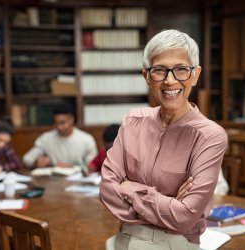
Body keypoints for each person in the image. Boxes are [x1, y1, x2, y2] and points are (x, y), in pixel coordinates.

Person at [99, 29, 228, 250]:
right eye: (159, 70)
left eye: (180, 70)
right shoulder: (132, 121)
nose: (170, 81)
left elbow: (185, 216)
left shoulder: (210, 136)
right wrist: (167, 204)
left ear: (195, 74)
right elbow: (106, 190)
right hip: (122, 240)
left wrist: (128, 188)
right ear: (146, 76)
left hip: (174, 245)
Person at [23, 105, 97, 168]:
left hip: (78, 181)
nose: (59, 127)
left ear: (71, 120)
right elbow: (27, 159)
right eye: (56, 123)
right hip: (52, 181)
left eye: (62, 123)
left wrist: (70, 167)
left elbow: (92, 166)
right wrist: (36, 162)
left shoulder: (86, 139)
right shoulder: (45, 138)